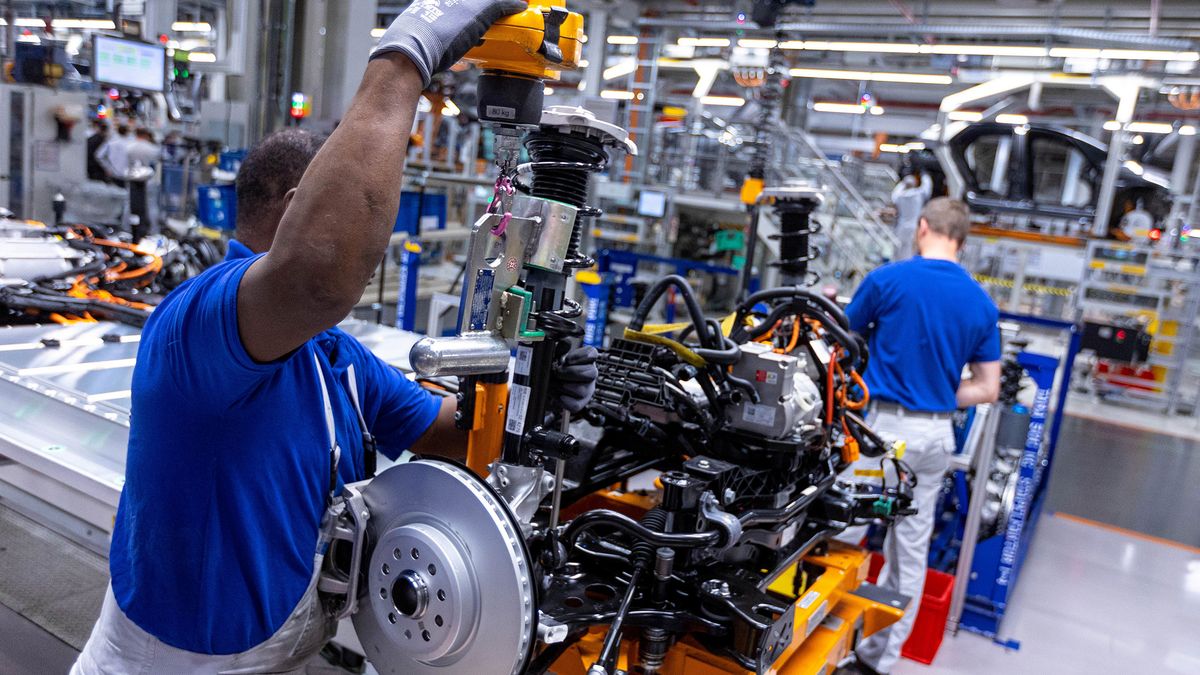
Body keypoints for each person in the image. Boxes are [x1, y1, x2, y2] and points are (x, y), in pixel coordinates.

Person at [71, 1, 544, 672]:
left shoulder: (334, 358)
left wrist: (525, 383)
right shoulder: (198, 328)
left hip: (283, 653)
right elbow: (318, 274)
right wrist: (406, 55)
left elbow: (447, 429)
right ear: (300, 208)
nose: (376, 226)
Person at [839, 198, 1000, 675]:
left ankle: (818, 643)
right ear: (962, 240)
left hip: (879, 432)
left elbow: (840, 343)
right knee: (908, 554)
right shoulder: (980, 302)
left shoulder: (889, 280)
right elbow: (989, 388)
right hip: (934, 439)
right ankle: (875, 663)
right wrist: (938, 392)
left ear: (923, 227)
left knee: (842, 535)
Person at [890, 170, 932, 260]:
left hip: (901, 227)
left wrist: (902, 183)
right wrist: (924, 174)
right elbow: (927, 186)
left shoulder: (899, 196)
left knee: (898, 249)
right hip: (914, 227)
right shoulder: (919, 194)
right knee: (911, 250)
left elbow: (894, 194)